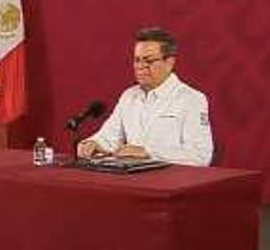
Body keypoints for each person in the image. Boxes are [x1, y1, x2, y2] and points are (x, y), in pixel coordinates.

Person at [76, 27, 213, 166]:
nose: (140, 66)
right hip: (131, 176)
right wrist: (94, 143)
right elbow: (110, 136)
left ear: (170, 63)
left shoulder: (192, 99)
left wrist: (148, 152)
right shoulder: (129, 96)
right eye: (137, 60)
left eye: (149, 61)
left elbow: (201, 155)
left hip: (170, 177)